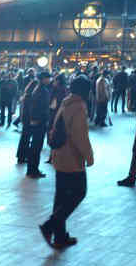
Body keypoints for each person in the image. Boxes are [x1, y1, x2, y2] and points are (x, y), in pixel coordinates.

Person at [40, 75, 93, 249]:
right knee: (80, 192)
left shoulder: (66, 101)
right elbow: (80, 135)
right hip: (71, 157)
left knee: (61, 196)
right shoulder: (79, 106)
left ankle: (60, 236)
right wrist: (89, 156)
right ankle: (50, 226)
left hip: (59, 154)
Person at [23, 71, 52, 178]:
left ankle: (32, 169)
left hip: (37, 121)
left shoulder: (38, 89)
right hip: (39, 122)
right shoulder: (42, 90)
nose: (49, 80)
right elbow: (37, 106)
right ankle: (33, 170)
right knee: (36, 147)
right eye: (48, 78)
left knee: (35, 146)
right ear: (43, 79)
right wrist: (35, 119)